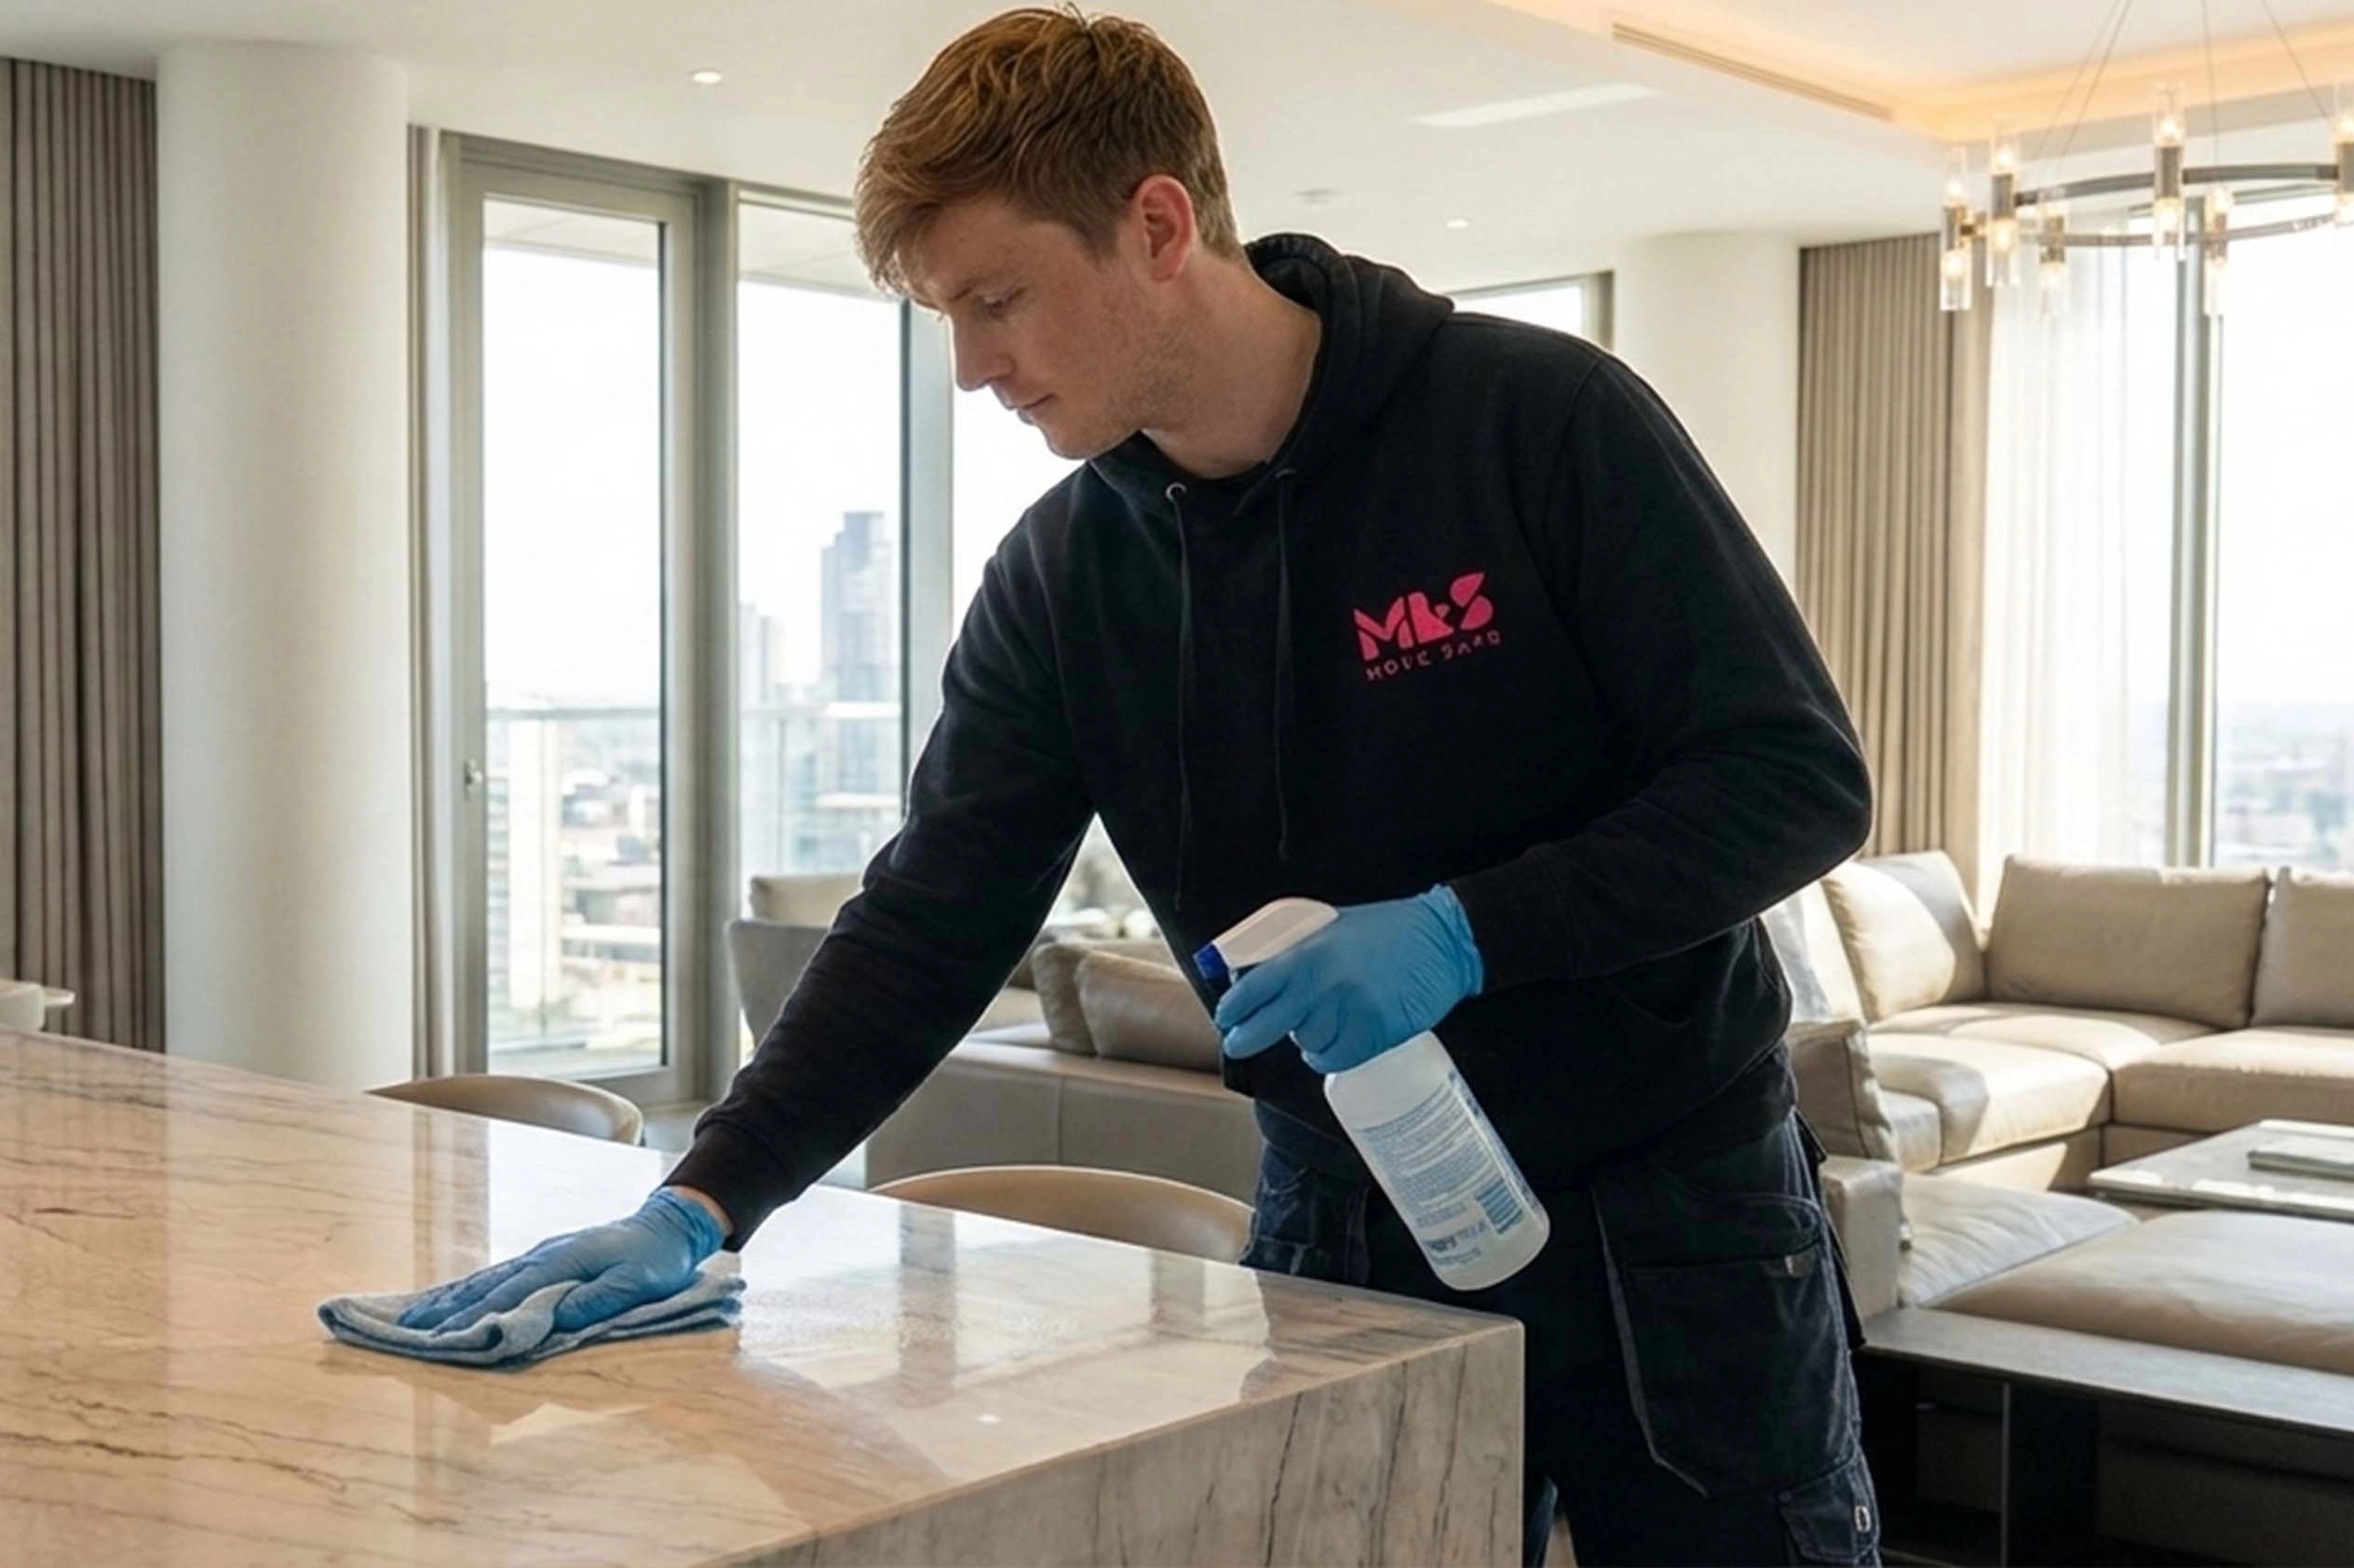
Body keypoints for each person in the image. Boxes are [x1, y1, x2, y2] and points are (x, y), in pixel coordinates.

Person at [403, 8, 1880, 1563]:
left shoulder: (1537, 423)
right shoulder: (1064, 579)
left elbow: (1794, 778)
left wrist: (1468, 930)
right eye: (949, 318)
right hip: (1342, 1219)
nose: (973, 368)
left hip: (1671, 1214)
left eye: (998, 301)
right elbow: (930, 922)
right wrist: (705, 1198)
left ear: (1158, 227)